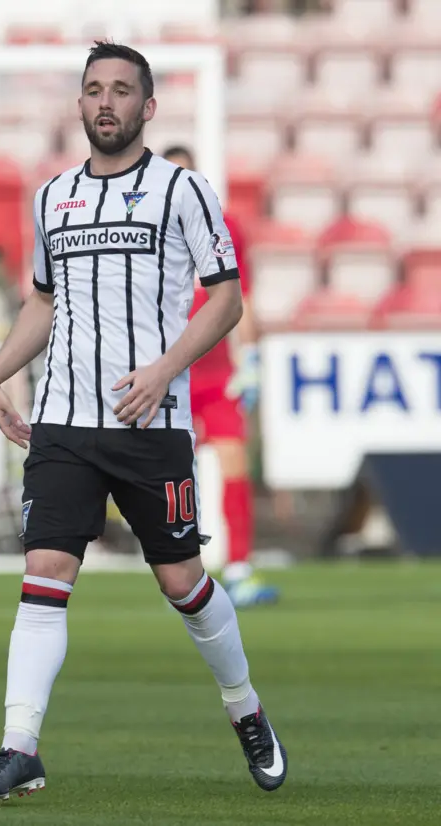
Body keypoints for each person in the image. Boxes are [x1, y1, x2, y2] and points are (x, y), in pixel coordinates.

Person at [0, 41, 288, 806]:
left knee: (182, 581)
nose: (105, 101)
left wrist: (164, 369)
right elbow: (43, 303)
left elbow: (226, 299)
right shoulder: (51, 199)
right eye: (93, 90)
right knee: (44, 574)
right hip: (64, 425)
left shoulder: (183, 191)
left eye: (120, 90)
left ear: (147, 108)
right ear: (80, 105)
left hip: (152, 423)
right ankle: (20, 747)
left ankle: (244, 707)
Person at [162, 146, 279, 608]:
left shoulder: (224, 227)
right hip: (169, 375)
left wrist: (250, 360)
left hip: (217, 375)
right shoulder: (147, 231)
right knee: (171, 478)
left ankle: (240, 568)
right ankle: (180, 570)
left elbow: (240, 295)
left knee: (235, 466)